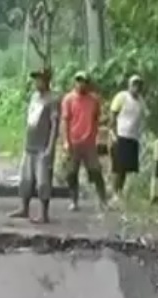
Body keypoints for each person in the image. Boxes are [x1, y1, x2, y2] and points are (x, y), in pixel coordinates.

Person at [9, 68, 59, 224]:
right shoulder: (34, 97)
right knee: (26, 178)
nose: (37, 83)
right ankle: (24, 208)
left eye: (40, 80)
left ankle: (44, 214)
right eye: (35, 79)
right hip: (30, 143)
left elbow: (55, 124)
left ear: (46, 81)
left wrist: (50, 147)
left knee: (43, 180)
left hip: (42, 145)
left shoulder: (52, 100)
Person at [60, 71, 109, 212]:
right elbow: (65, 121)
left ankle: (103, 200)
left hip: (89, 142)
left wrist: (98, 136)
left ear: (88, 83)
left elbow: (97, 119)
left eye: (84, 81)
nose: (81, 84)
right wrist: (65, 141)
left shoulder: (94, 100)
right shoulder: (68, 99)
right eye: (79, 81)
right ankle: (74, 201)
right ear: (75, 82)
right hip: (73, 141)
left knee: (96, 171)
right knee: (71, 173)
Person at [108, 75, 148, 203]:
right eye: (134, 84)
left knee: (125, 168)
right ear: (129, 85)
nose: (136, 87)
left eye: (139, 85)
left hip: (133, 137)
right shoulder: (122, 97)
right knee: (117, 167)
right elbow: (113, 114)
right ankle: (114, 193)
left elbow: (144, 116)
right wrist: (113, 133)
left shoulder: (141, 101)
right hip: (120, 135)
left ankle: (120, 191)